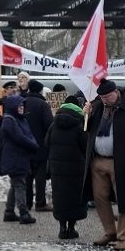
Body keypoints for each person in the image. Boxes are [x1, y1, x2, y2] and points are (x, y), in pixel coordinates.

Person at [83, 78, 125, 251]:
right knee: (99, 198)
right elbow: (87, 129)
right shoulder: (98, 106)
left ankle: (123, 237)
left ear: (116, 92)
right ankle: (109, 232)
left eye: (108, 96)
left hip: (121, 162)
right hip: (98, 160)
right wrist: (87, 116)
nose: (105, 100)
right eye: (102, 97)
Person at [46, 96, 88, 239]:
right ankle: (72, 228)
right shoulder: (80, 124)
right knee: (75, 197)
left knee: (60, 196)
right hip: (76, 169)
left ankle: (62, 228)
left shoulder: (54, 124)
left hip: (57, 169)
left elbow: (46, 143)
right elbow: (86, 146)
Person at [0, 94, 38, 225]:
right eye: (19, 105)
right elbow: (19, 137)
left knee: (15, 184)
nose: (21, 108)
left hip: (18, 157)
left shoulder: (17, 118)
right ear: (13, 107)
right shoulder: (10, 120)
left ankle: (9, 212)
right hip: (15, 157)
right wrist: (34, 145)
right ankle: (24, 213)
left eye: (22, 105)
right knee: (20, 184)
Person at [24, 79, 54, 212]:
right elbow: (49, 124)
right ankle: (40, 202)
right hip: (40, 146)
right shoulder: (43, 104)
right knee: (40, 176)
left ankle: (27, 202)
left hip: (24, 145)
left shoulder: (21, 102)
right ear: (40, 90)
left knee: (27, 176)